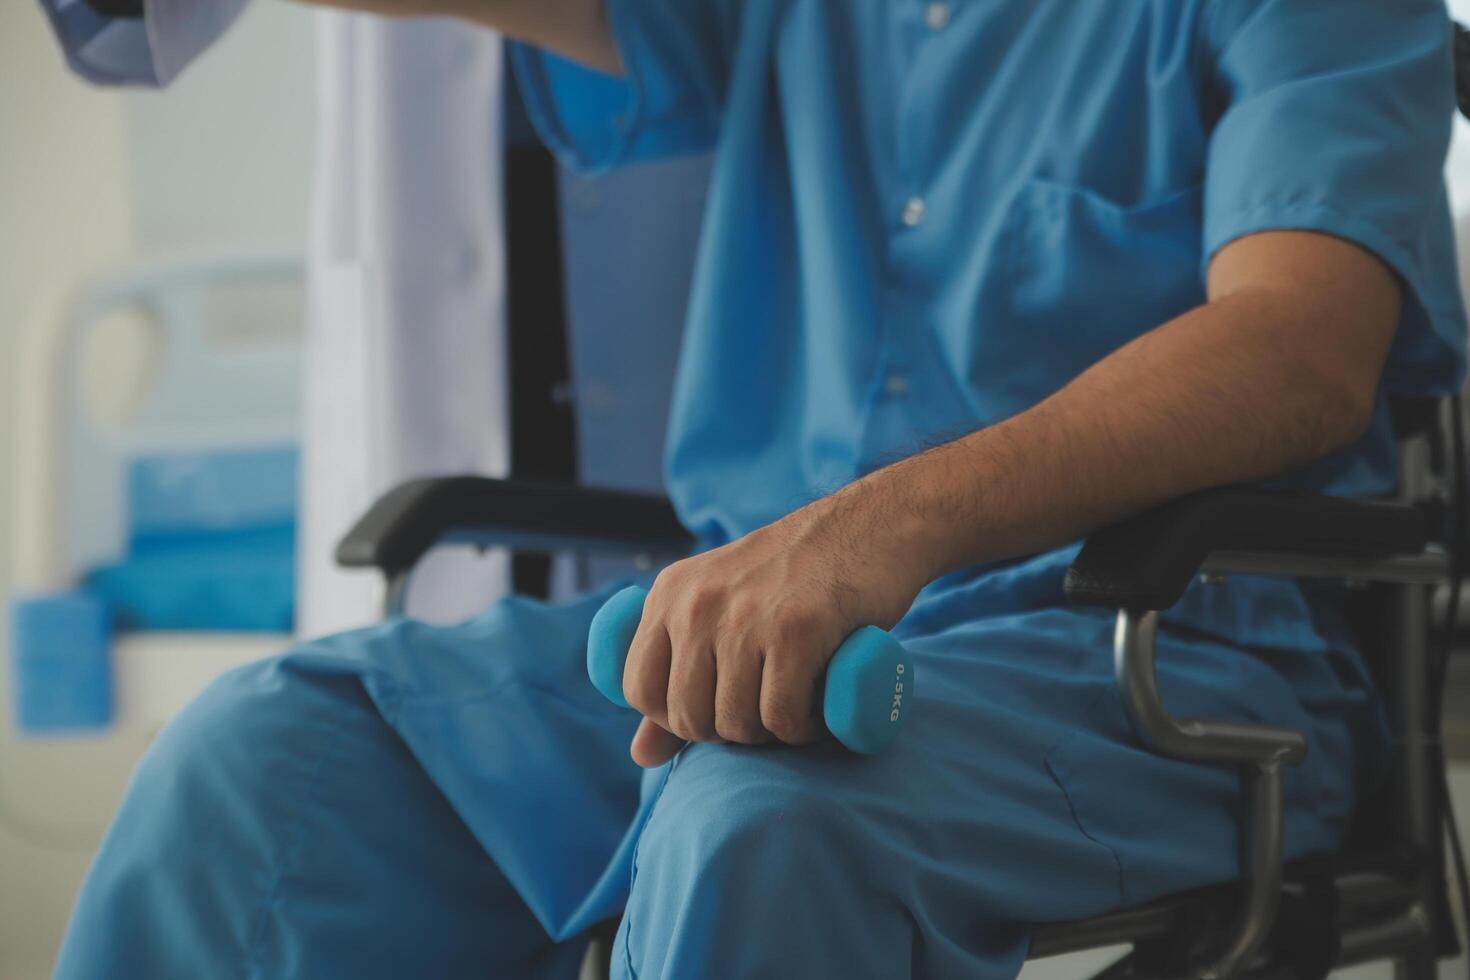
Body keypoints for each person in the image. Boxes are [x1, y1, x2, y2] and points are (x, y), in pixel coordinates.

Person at [45, 1, 1469, 977]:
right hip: (733, 647)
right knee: (260, 757)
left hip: (1146, 664)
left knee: (758, 822)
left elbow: (1299, 350)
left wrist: (883, 528)